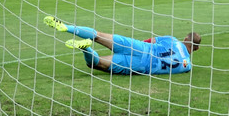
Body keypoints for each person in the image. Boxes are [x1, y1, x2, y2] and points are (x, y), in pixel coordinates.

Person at [43, 16, 200, 75]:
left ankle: (65, 27)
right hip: (141, 65)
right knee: (97, 64)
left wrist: (135, 45)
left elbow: (151, 41)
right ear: (196, 48)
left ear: (185, 38)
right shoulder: (187, 66)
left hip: (139, 47)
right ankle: (85, 48)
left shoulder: (172, 40)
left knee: (98, 35)